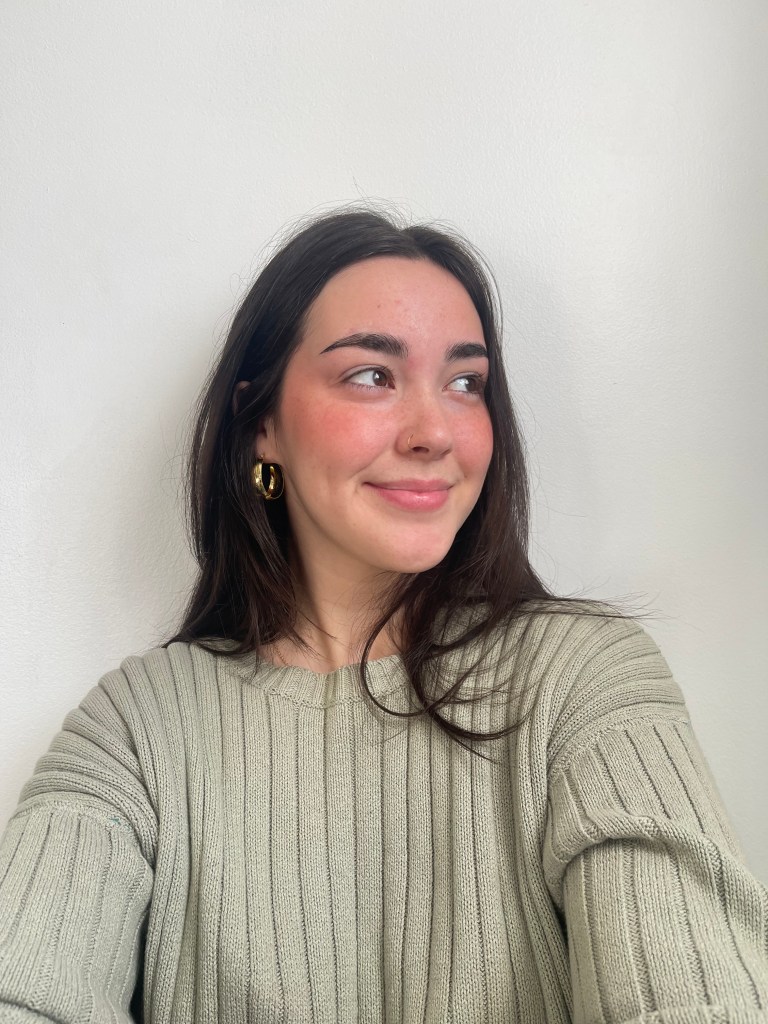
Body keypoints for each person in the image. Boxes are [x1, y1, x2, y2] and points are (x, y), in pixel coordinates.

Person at [0, 208, 766, 1024]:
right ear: (261, 425)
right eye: (371, 375)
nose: (435, 432)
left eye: (466, 383)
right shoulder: (135, 727)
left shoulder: (587, 678)